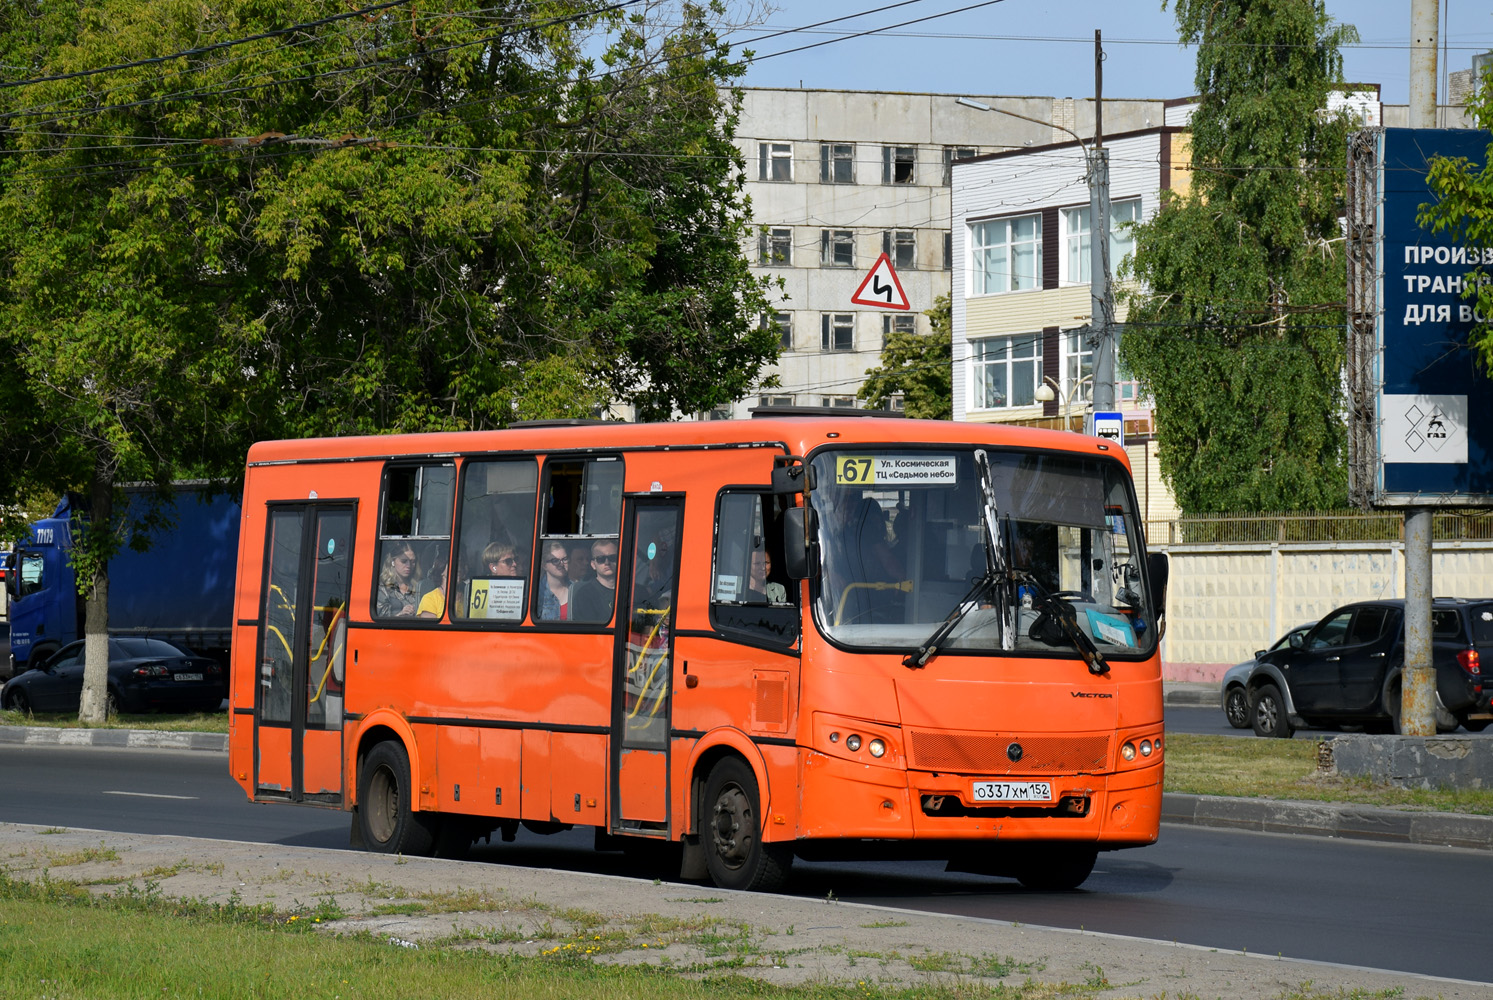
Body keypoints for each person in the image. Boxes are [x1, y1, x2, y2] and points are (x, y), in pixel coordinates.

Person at [570, 538, 618, 623]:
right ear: (593, 565)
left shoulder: (635, 591)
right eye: (601, 559)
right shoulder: (584, 595)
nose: (607, 562)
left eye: (612, 557)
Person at [376, 543, 420, 617]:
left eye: (412, 562)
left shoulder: (419, 586)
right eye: (404, 561)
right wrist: (400, 615)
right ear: (392, 561)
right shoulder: (382, 587)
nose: (408, 566)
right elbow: (377, 618)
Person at [537, 541, 571, 621]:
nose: (561, 564)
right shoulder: (536, 593)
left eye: (564, 559)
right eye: (555, 561)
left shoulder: (576, 589)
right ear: (544, 565)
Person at [417, 550, 448, 619]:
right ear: (441, 569)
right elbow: (429, 628)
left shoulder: (468, 597)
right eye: (454, 563)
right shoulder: (430, 599)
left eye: (461, 563)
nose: (459, 566)